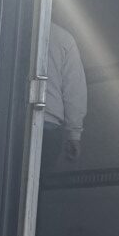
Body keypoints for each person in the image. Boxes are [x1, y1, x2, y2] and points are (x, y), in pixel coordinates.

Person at [43, 22, 87, 172]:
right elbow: (74, 90)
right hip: (49, 125)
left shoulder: (13, 28)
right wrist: (74, 135)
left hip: (12, 121)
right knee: (39, 180)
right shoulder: (64, 38)